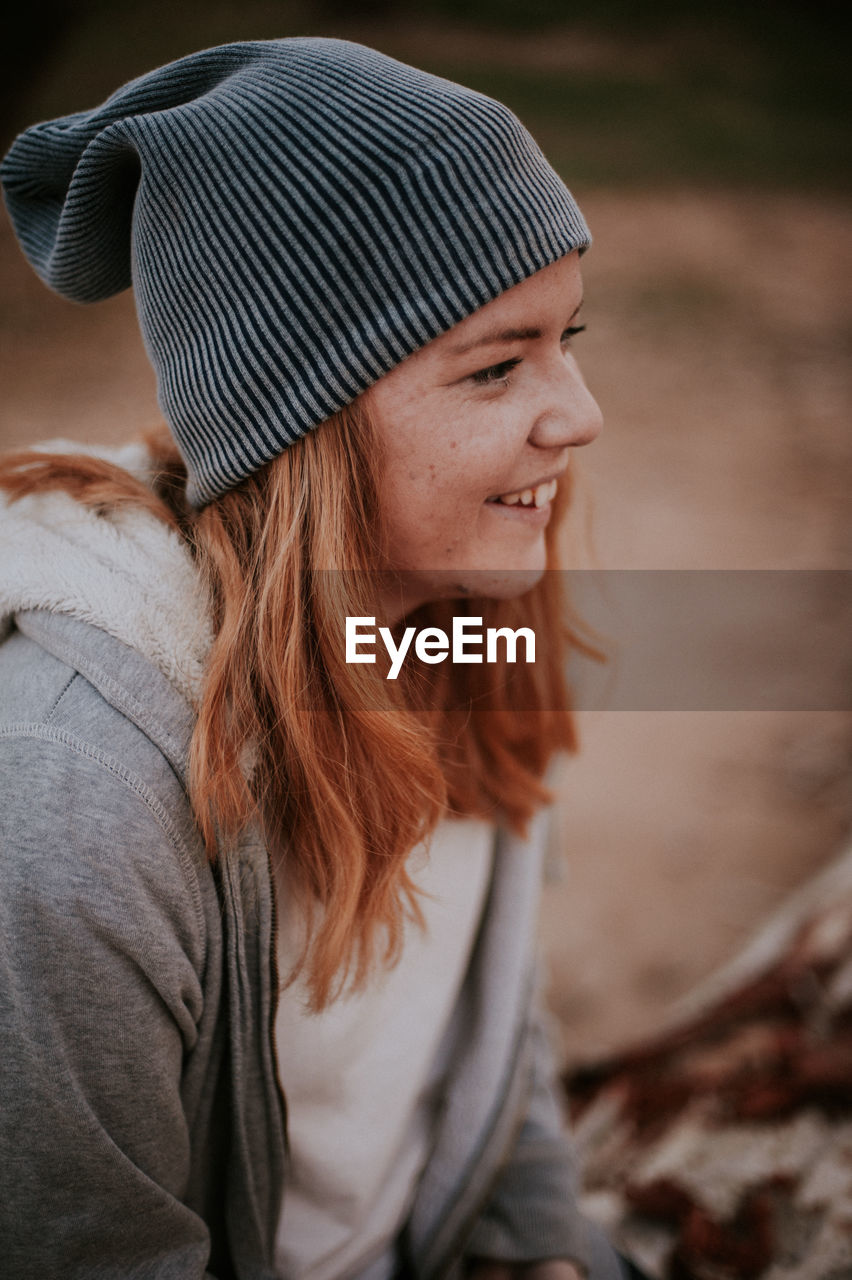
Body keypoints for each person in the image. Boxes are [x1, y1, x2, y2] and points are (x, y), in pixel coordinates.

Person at [0, 37, 631, 1280]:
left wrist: (542, 1245)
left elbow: (495, 1024)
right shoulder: (70, 797)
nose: (580, 412)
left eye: (568, 336)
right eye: (497, 365)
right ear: (306, 428)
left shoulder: (457, 597)